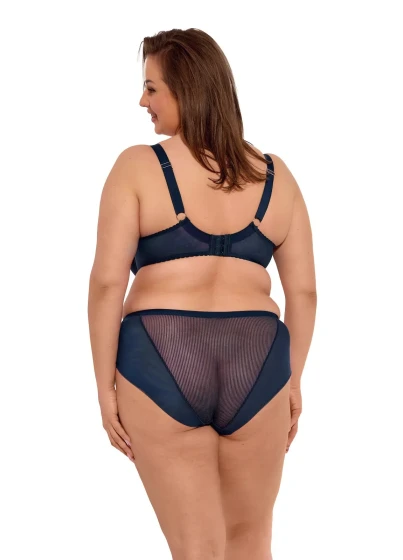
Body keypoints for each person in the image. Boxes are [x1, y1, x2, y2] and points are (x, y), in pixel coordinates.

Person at [88, 28, 317, 560]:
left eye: (151, 88)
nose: (142, 101)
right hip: (258, 361)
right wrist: (293, 380)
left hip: (161, 354)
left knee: (196, 550)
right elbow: (304, 291)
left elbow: (106, 284)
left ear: (186, 90)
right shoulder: (275, 176)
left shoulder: (138, 166)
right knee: (250, 543)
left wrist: (104, 387)